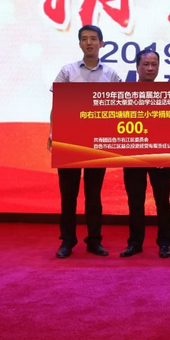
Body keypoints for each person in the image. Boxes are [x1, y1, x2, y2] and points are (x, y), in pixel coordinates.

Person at [48, 25, 122, 259]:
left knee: (94, 194)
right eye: (84, 39)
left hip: (98, 141)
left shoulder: (111, 75)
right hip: (69, 139)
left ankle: (94, 240)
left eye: (93, 39)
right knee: (68, 194)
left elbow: (120, 107)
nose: (89, 43)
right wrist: (52, 132)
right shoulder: (67, 71)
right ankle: (67, 241)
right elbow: (57, 106)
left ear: (102, 43)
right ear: (79, 43)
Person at [119, 49, 170, 258]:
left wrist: (165, 154)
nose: (150, 68)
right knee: (135, 201)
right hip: (133, 156)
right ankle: (135, 243)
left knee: (162, 202)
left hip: (161, 158)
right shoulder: (125, 94)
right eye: (146, 64)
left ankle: (165, 242)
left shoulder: (168, 95)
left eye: (154, 64)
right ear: (137, 67)